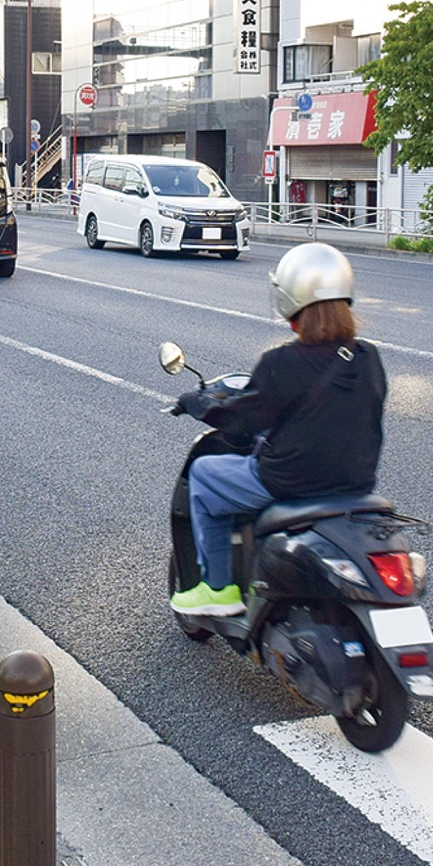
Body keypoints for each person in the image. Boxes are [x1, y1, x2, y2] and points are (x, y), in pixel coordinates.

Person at [170, 243, 387, 616]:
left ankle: (218, 590)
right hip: (356, 483)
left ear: (290, 299)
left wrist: (198, 403)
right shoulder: (368, 358)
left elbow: (243, 421)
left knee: (204, 474)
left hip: (289, 481)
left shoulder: (282, 362)